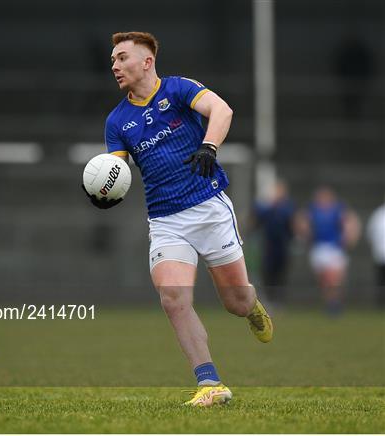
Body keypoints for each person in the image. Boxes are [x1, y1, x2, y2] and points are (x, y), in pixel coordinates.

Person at [82, 31, 273, 407]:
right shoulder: (117, 121)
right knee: (173, 298)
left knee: (234, 300)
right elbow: (114, 171)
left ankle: (252, 307)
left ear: (147, 61)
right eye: (112, 61)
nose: (115, 66)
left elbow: (223, 111)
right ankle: (210, 383)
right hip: (166, 219)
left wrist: (209, 146)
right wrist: (104, 194)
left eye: (122, 58)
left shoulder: (178, 89)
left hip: (209, 209)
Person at [296, 187, 360, 316]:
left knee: (334, 278)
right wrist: (305, 233)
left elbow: (350, 221)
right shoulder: (313, 210)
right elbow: (301, 221)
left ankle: (335, 303)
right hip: (319, 248)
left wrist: (349, 236)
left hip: (334, 248)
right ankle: (330, 303)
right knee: (324, 279)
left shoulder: (337, 209)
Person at [252, 180, 295, 305]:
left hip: (283, 246)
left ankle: (279, 302)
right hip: (268, 246)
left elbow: (291, 225)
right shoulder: (266, 207)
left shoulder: (288, 207)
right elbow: (257, 220)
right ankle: (269, 300)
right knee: (268, 274)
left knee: (281, 274)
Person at [366, 199, 385, 307]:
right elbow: (370, 233)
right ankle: (381, 305)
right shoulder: (378, 215)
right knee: (381, 282)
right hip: (381, 255)